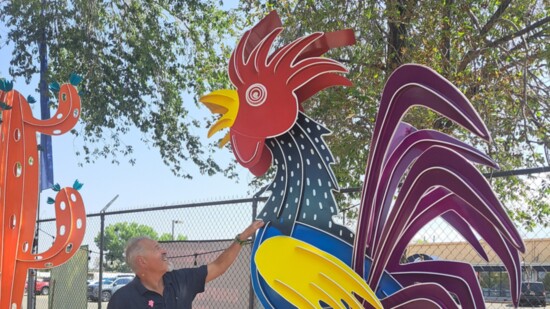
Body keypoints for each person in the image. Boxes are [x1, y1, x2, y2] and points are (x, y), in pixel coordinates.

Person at [107, 220, 265, 309]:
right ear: (142, 261)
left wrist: (241, 238)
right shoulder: (122, 300)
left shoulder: (181, 280)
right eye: (157, 248)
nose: (164, 251)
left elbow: (218, 266)